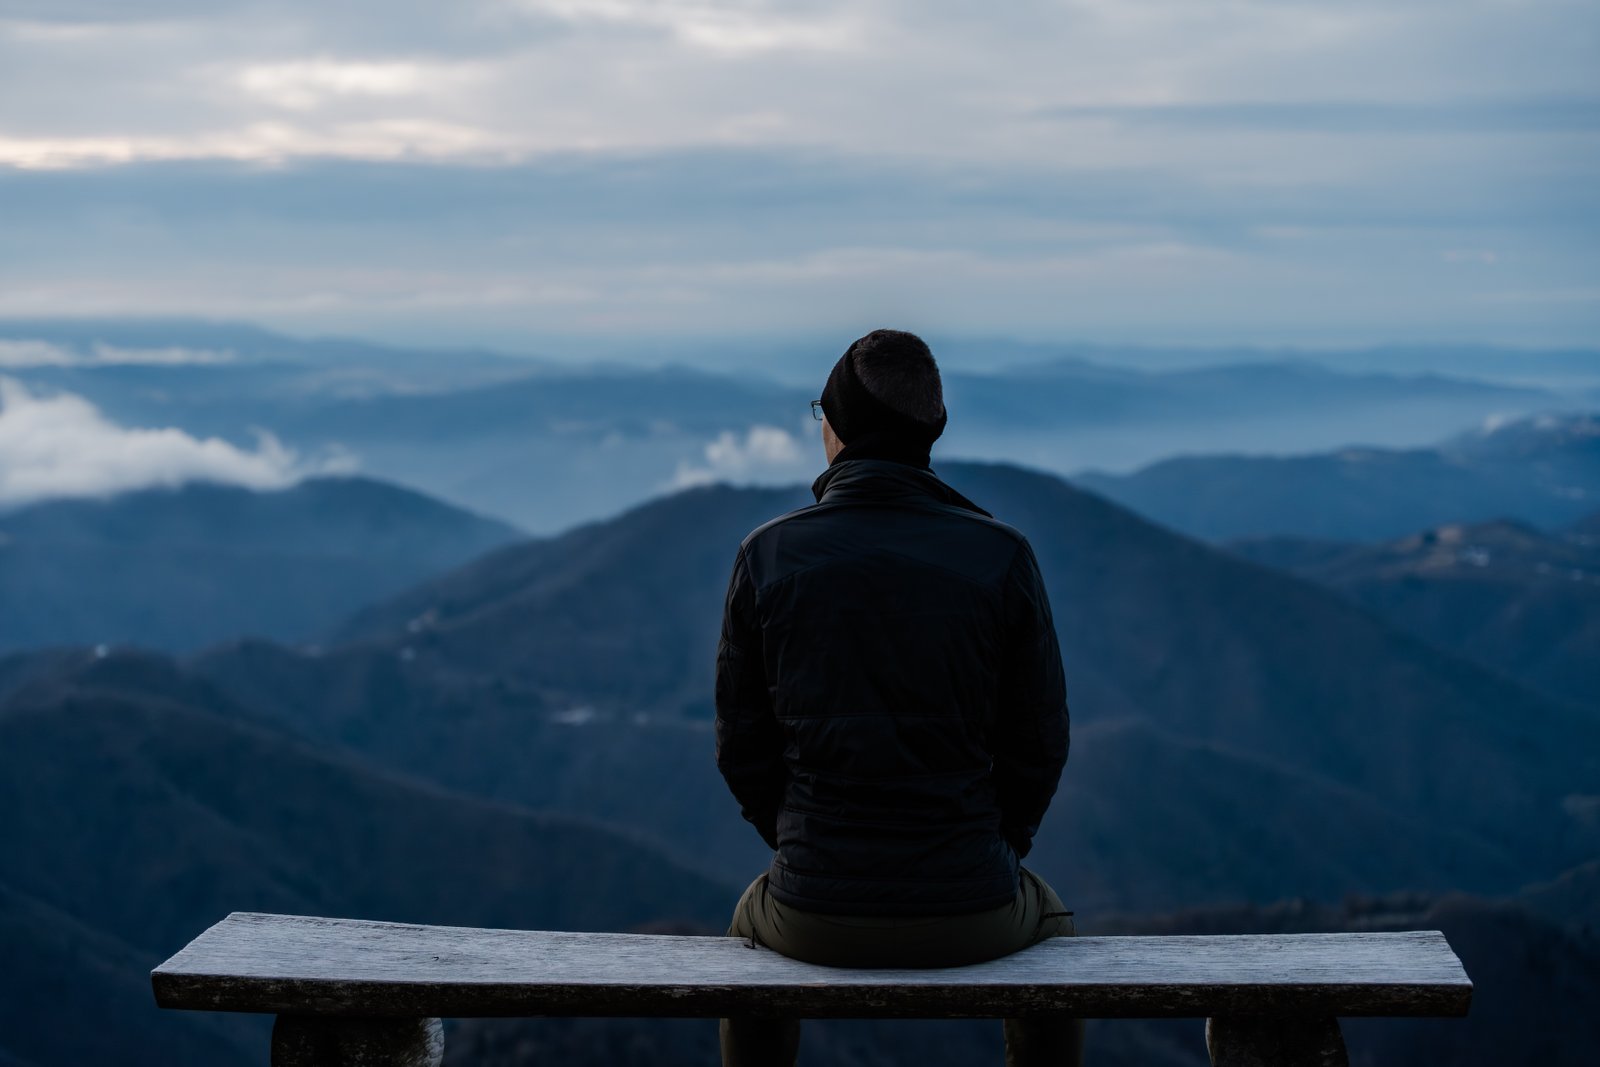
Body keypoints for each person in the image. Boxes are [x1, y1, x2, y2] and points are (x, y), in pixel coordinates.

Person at [714, 329, 1081, 1067]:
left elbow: (741, 748)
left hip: (810, 905)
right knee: (1056, 933)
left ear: (838, 428)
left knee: (744, 936)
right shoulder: (1002, 555)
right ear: (930, 431)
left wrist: (803, 845)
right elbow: (1040, 741)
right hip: (974, 903)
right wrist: (993, 848)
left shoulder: (768, 554)